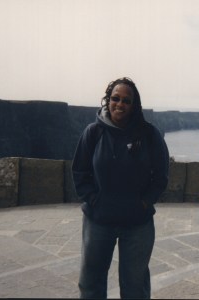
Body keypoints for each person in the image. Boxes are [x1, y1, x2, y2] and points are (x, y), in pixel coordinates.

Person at [72, 77, 169, 299]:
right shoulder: (93, 132)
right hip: (98, 221)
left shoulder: (149, 134)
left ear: (134, 105)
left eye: (127, 100)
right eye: (115, 98)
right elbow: (79, 171)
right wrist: (94, 200)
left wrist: (144, 202)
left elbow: (161, 175)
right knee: (90, 283)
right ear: (107, 100)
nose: (120, 104)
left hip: (137, 223)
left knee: (135, 286)